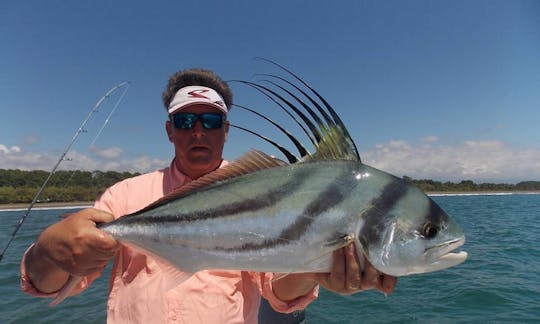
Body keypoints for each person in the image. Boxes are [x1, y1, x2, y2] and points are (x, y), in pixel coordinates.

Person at [20, 68, 397, 323]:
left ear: (225, 130)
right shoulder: (124, 196)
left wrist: (315, 272)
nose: (198, 131)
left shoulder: (268, 188)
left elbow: (278, 292)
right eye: (185, 121)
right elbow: (47, 284)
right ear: (170, 130)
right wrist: (48, 248)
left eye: (210, 121)